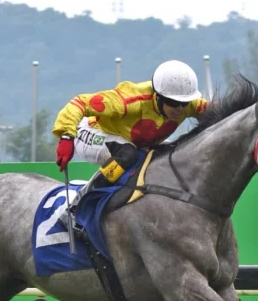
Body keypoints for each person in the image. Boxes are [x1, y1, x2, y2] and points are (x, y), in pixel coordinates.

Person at [52, 60, 208, 221]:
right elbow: (79, 103)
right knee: (127, 153)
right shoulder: (127, 101)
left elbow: (221, 113)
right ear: (158, 96)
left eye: (185, 103)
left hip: (131, 142)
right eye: (174, 103)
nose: (180, 109)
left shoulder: (187, 105)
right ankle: (77, 206)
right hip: (91, 131)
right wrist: (66, 136)